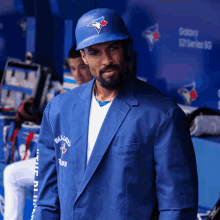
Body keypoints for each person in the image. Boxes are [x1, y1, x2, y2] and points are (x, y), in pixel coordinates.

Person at [31, 8, 198, 220]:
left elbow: (177, 207)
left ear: (125, 48)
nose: (107, 60)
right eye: (94, 52)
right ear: (83, 56)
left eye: (113, 47)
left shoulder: (163, 115)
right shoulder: (58, 109)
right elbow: (46, 200)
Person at [3, 45, 92, 220]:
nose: (78, 74)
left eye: (82, 67)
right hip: (58, 160)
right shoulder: (69, 95)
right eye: (73, 68)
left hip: (79, 169)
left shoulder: (102, 95)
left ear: (91, 63)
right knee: (11, 174)